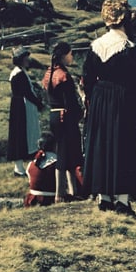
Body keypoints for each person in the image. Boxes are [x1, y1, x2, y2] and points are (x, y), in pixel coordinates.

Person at [82, 0, 136, 215]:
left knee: (102, 144)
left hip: (101, 99)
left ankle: (104, 197)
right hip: (124, 99)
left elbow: (87, 78)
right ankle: (122, 200)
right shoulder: (131, 49)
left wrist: (94, 101)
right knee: (124, 146)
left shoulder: (96, 46)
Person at [43, 41, 85, 202]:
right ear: (63, 55)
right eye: (70, 53)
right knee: (65, 153)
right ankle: (60, 193)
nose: (72, 56)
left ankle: (71, 191)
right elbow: (71, 102)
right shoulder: (64, 76)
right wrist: (80, 114)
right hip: (65, 116)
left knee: (65, 152)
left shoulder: (49, 73)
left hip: (54, 115)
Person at [7, 46, 43, 178]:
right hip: (22, 106)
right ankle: (19, 168)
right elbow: (27, 92)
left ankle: (21, 166)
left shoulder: (19, 72)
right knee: (21, 135)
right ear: (20, 60)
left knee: (21, 134)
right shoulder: (19, 74)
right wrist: (39, 103)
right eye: (25, 58)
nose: (28, 60)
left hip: (21, 105)